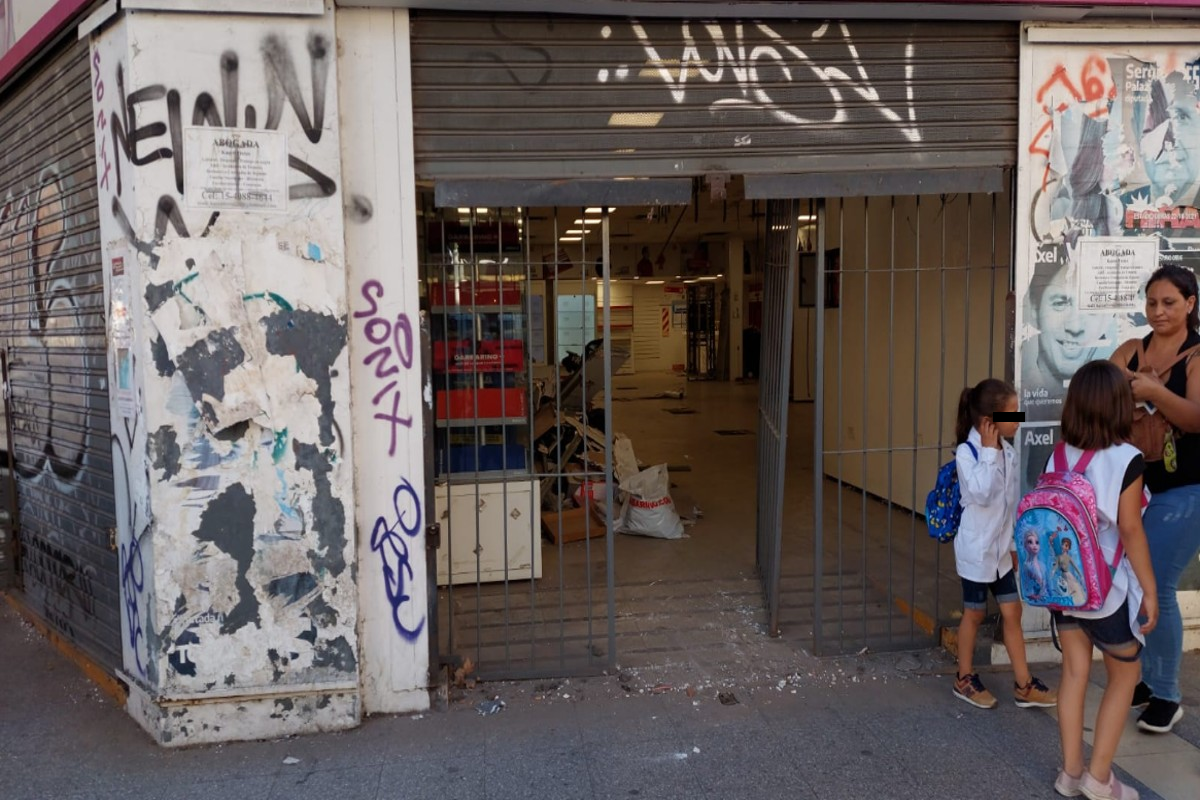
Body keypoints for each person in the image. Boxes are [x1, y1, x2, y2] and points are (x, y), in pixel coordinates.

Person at [1047, 360, 1158, 800]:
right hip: (1106, 593)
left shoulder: (1059, 453)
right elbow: (1130, 529)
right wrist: (1150, 590)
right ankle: (1098, 778)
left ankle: (1070, 773)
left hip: (1063, 589)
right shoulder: (1126, 459)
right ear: (1119, 406)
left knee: (1074, 674)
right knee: (1125, 675)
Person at [1110, 263, 1200, 734]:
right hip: (1136, 488)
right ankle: (1146, 680)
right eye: (1151, 302)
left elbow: (1195, 419)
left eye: (1169, 302)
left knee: (1156, 584)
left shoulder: (1196, 355)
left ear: (1190, 304)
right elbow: (1097, 399)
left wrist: (1153, 392)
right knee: (1132, 580)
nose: (1158, 311)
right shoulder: (1131, 350)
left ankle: (1167, 695)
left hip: (1186, 490)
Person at [952, 378, 1057, 710]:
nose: (1019, 419)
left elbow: (1009, 504)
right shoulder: (968, 453)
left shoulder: (1008, 452)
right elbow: (982, 494)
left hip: (999, 552)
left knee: (1013, 611)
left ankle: (1023, 684)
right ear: (989, 421)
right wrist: (987, 451)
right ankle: (964, 678)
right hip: (976, 551)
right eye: (1014, 412)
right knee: (974, 613)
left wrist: (1012, 544)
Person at [1022, 245, 1116, 422]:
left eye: (1090, 308)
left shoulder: (1111, 398)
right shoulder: (1020, 391)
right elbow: (1004, 420)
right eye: (1060, 303)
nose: (1075, 327)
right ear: (1034, 308)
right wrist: (995, 420)